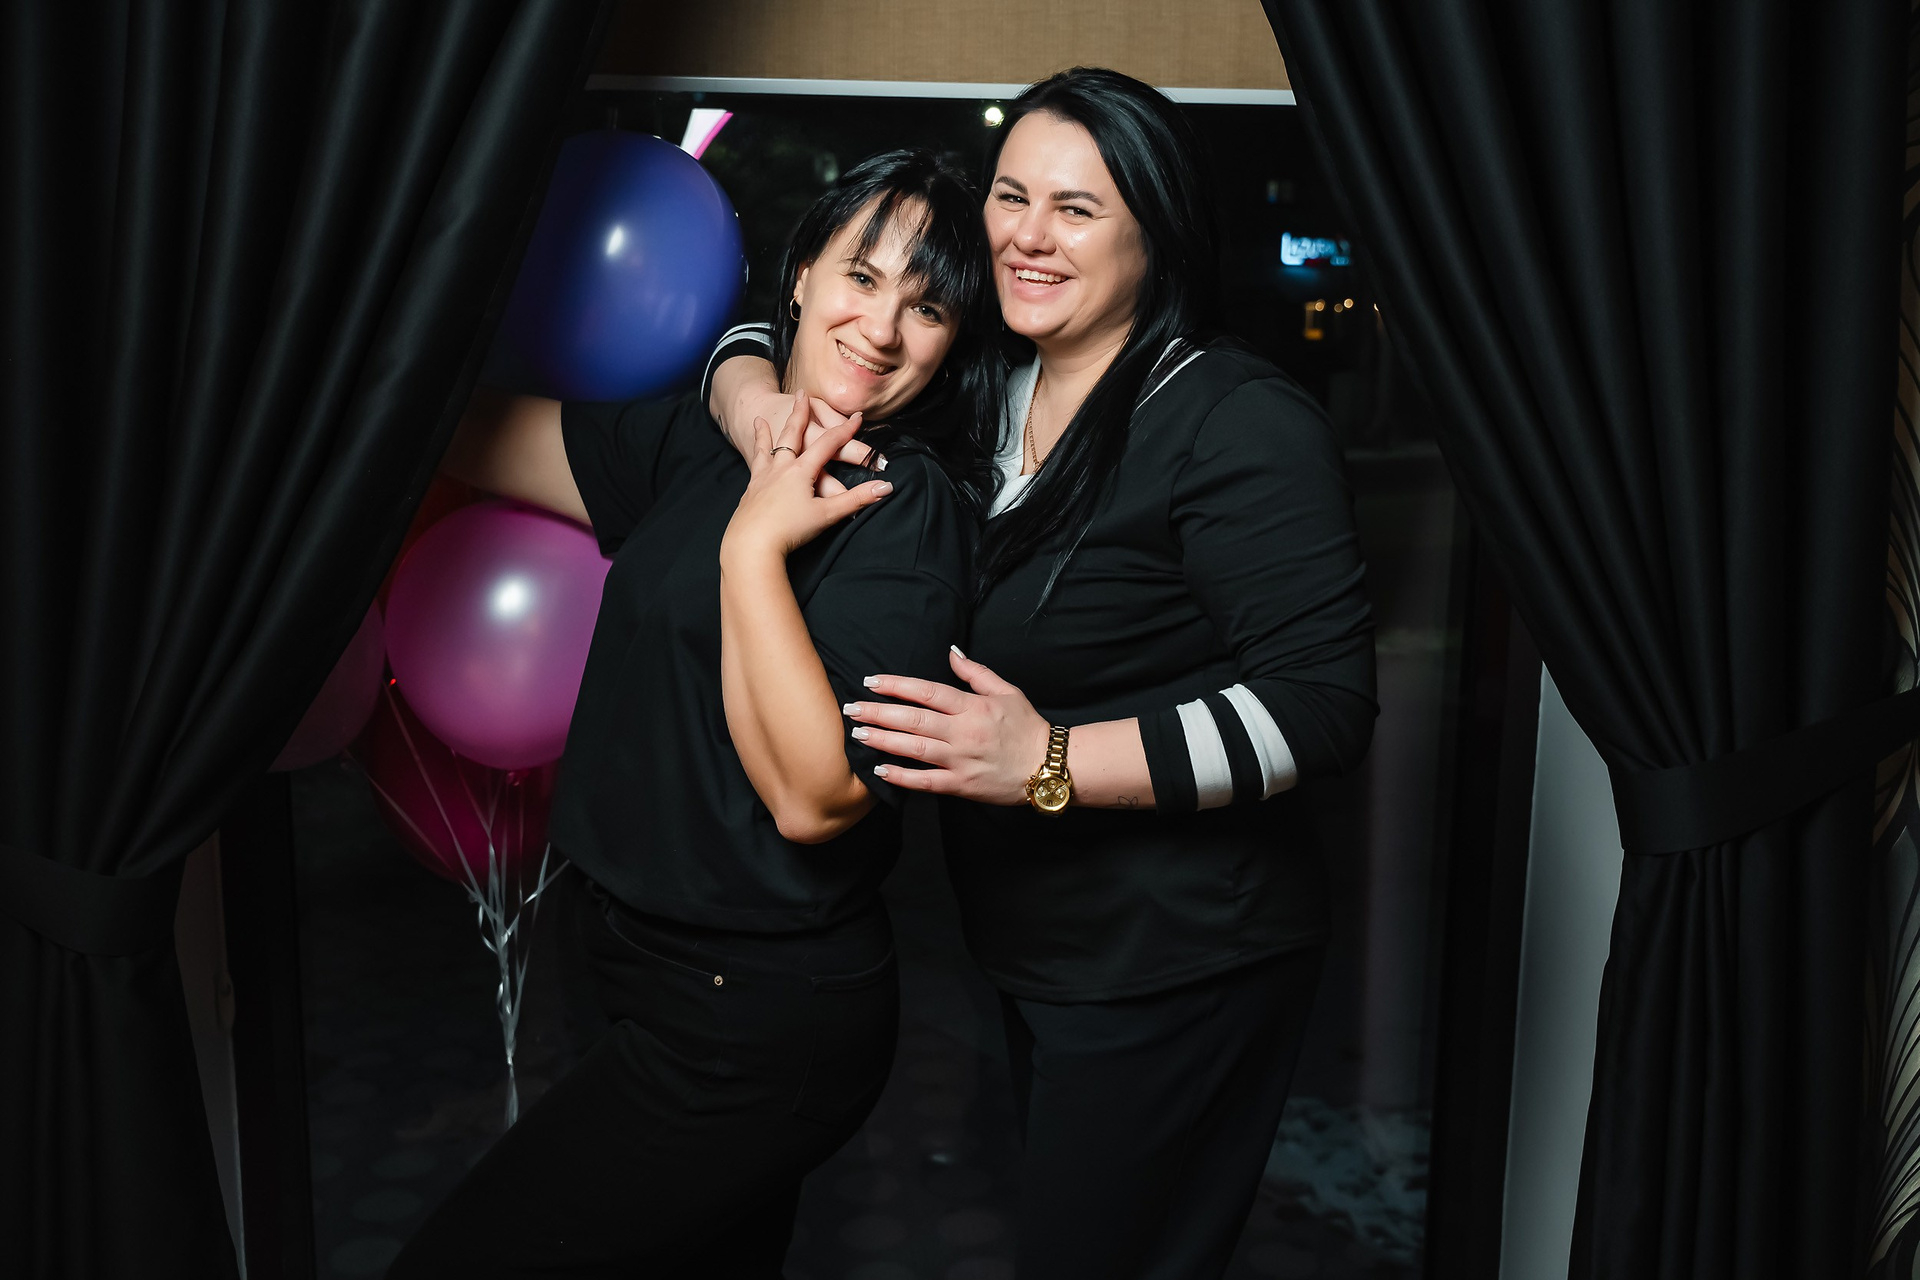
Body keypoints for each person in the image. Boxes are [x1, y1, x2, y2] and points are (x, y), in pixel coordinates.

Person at [703, 68, 1377, 1278]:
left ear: (1155, 234)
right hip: (1040, 945)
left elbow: (1322, 704)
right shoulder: (992, 385)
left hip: (1178, 958)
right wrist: (756, 407)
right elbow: (775, 331)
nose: (1026, 234)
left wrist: (1048, 760)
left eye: (1077, 208)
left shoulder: (1232, 418)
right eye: (1012, 195)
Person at [385, 148, 1003, 1279]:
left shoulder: (905, 504)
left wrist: (754, 550)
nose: (881, 328)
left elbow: (815, 799)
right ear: (804, 272)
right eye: (863, 276)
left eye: (928, 308)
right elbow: (466, 434)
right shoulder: (707, 439)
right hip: (621, 955)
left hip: (755, 1011)